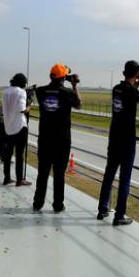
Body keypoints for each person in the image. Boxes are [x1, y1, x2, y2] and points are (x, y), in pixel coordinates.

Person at [97, 61, 139, 225]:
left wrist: (136, 82)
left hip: (114, 137)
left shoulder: (116, 89)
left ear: (123, 73)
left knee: (109, 174)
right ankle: (119, 215)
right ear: (137, 74)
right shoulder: (131, 91)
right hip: (127, 140)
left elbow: (129, 91)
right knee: (125, 179)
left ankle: (103, 209)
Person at [32, 63, 81, 213]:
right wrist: (73, 85)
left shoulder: (40, 91)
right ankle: (58, 205)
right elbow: (78, 105)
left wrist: (62, 78)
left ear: (50, 76)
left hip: (45, 138)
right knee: (59, 174)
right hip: (62, 140)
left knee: (43, 172)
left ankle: (38, 203)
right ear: (63, 78)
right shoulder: (67, 92)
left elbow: (52, 88)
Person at [1, 73, 32, 186]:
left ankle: (7, 177)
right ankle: (20, 179)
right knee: (20, 154)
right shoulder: (21, 92)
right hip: (19, 126)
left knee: (8, 154)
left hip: (8, 126)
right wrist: (29, 106)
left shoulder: (5, 92)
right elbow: (22, 109)